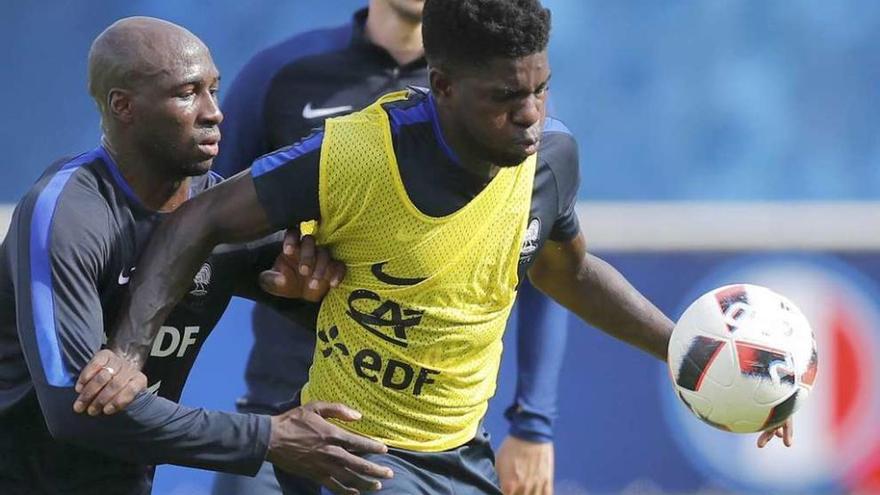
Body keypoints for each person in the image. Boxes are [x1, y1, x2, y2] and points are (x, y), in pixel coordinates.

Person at [76, 1, 792, 493]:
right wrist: (130, 350)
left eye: (542, 90)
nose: (531, 115)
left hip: (458, 453)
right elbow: (195, 220)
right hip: (340, 450)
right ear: (442, 87)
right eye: (508, 98)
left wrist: (695, 357)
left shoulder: (552, 158)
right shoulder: (352, 155)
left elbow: (565, 272)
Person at [0, 16, 392, 495]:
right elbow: (71, 410)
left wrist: (308, 289)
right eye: (187, 93)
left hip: (122, 479)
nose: (213, 112)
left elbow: (337, 302)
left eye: (214, 89)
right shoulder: (67, 212)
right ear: (123, 106)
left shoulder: (223, 216)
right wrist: (268, 437)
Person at [212, 1, 565, 493]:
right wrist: (277, 269)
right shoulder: (282, 73)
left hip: (423, 447)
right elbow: (209, 224)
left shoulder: (491, 88)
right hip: (284, 418)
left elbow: (546, 263)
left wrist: (533, 424)